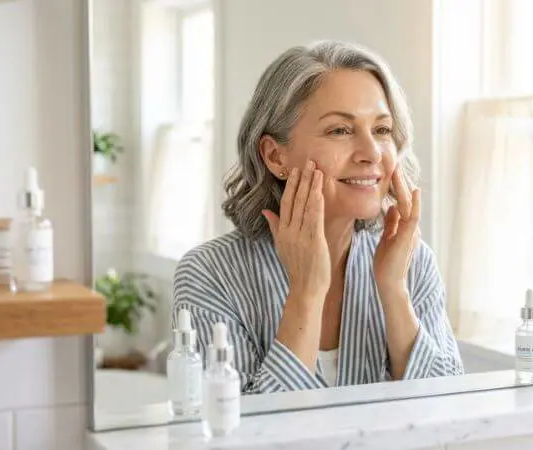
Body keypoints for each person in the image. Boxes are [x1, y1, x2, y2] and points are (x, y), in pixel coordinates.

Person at [172, 40, 464, 394]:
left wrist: (394, 291)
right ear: (275, 156)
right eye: (340, 130)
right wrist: (306, 293)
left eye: (382, 130)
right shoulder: (210, 273)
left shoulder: (412, 263)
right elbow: (240, 435)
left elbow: (448, 415)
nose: (372, 153)